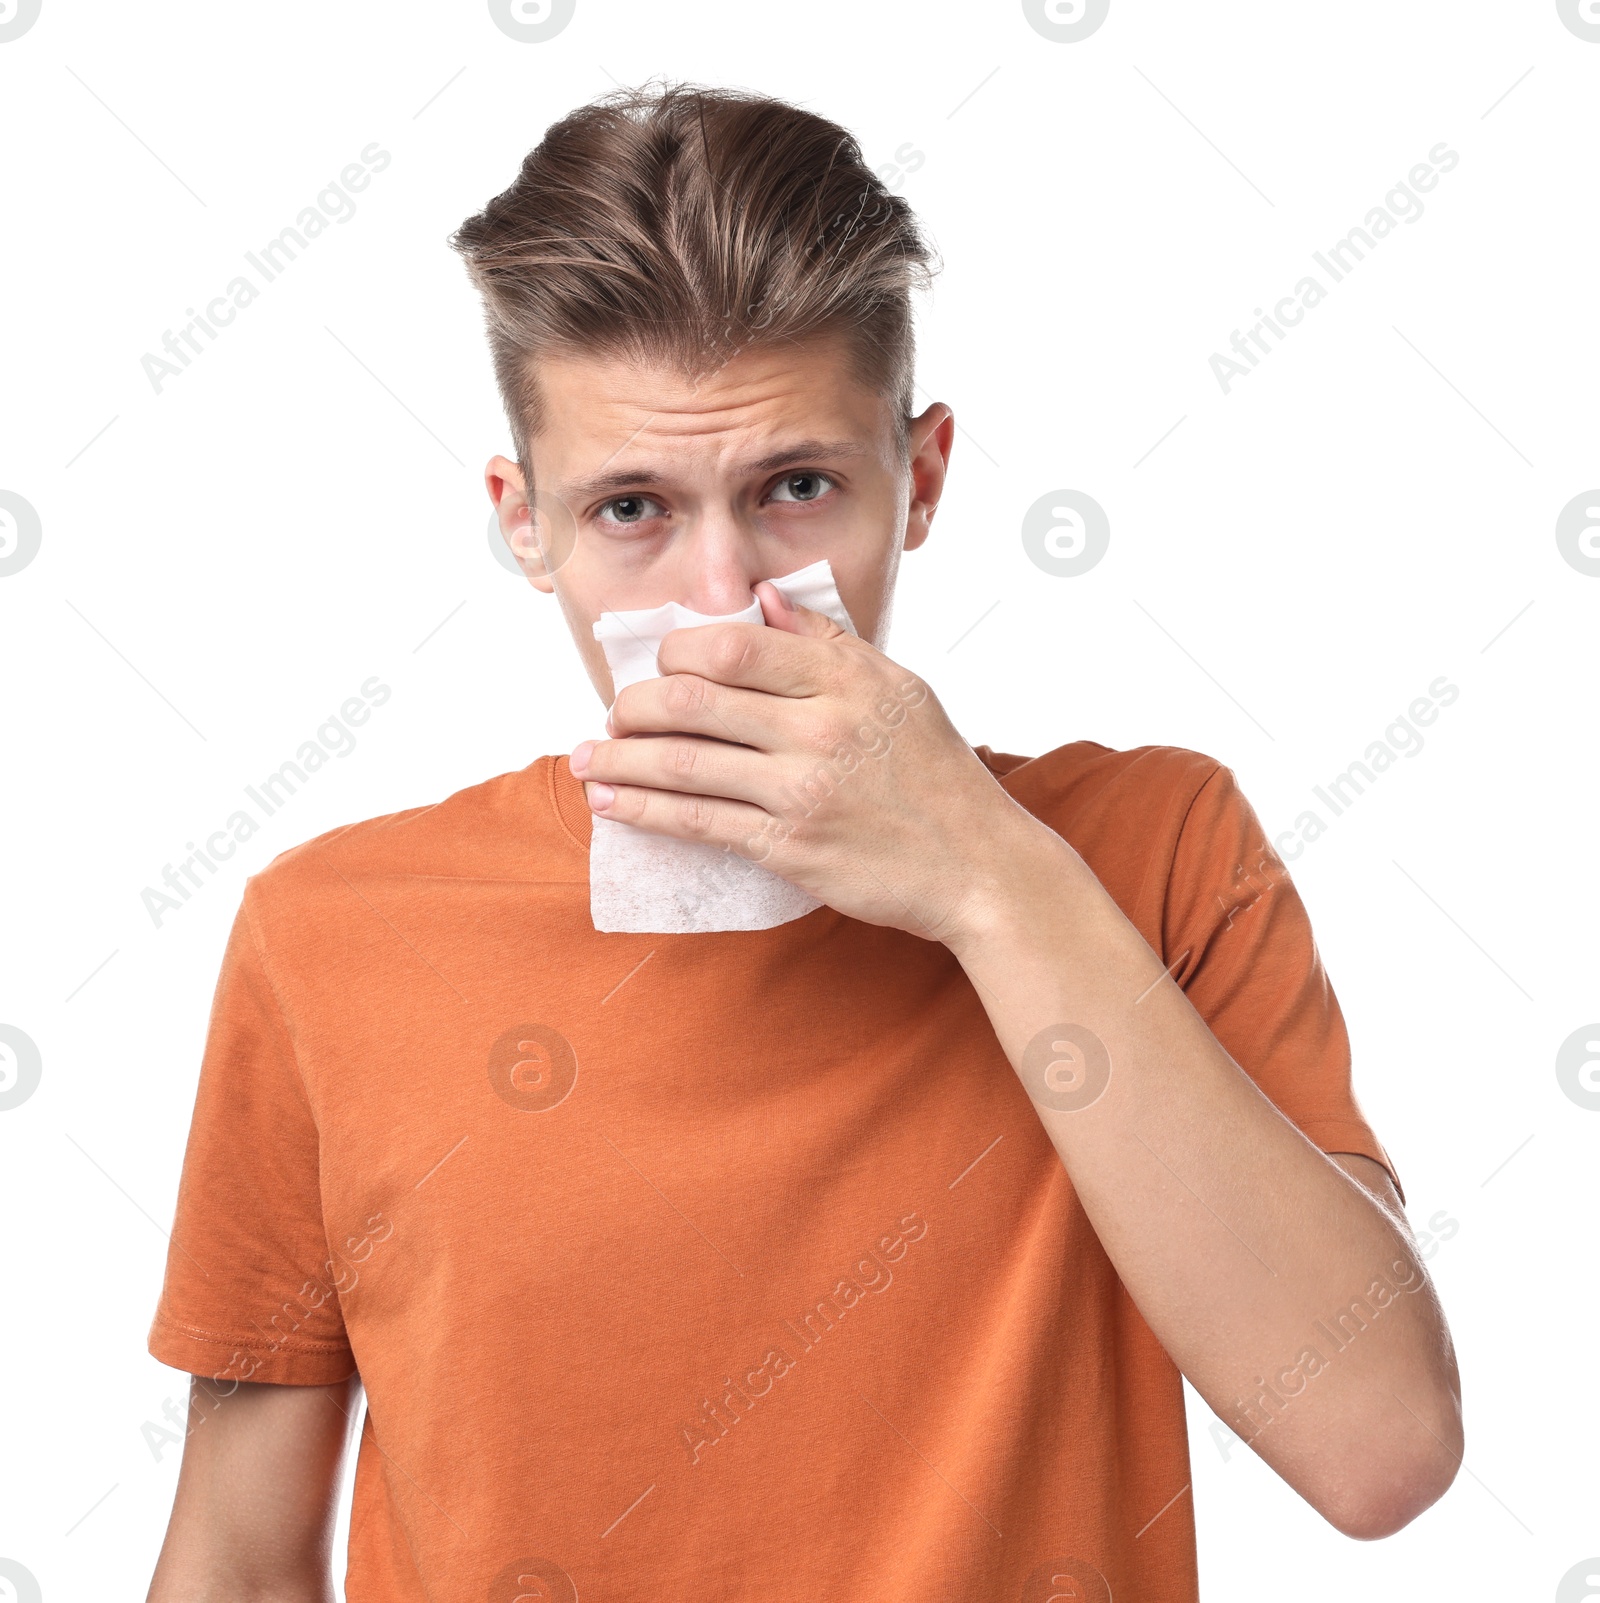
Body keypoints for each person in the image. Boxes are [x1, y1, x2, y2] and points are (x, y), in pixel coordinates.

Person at [146, 81, 1461, 1603]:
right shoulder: (332, 935)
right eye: (632, 506)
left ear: (926, 477)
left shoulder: (1152, 853)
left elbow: (1381, 1451)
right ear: (526, 524)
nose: (720, 597)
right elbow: (236, 1567)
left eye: (797, 489)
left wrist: (984, 871)